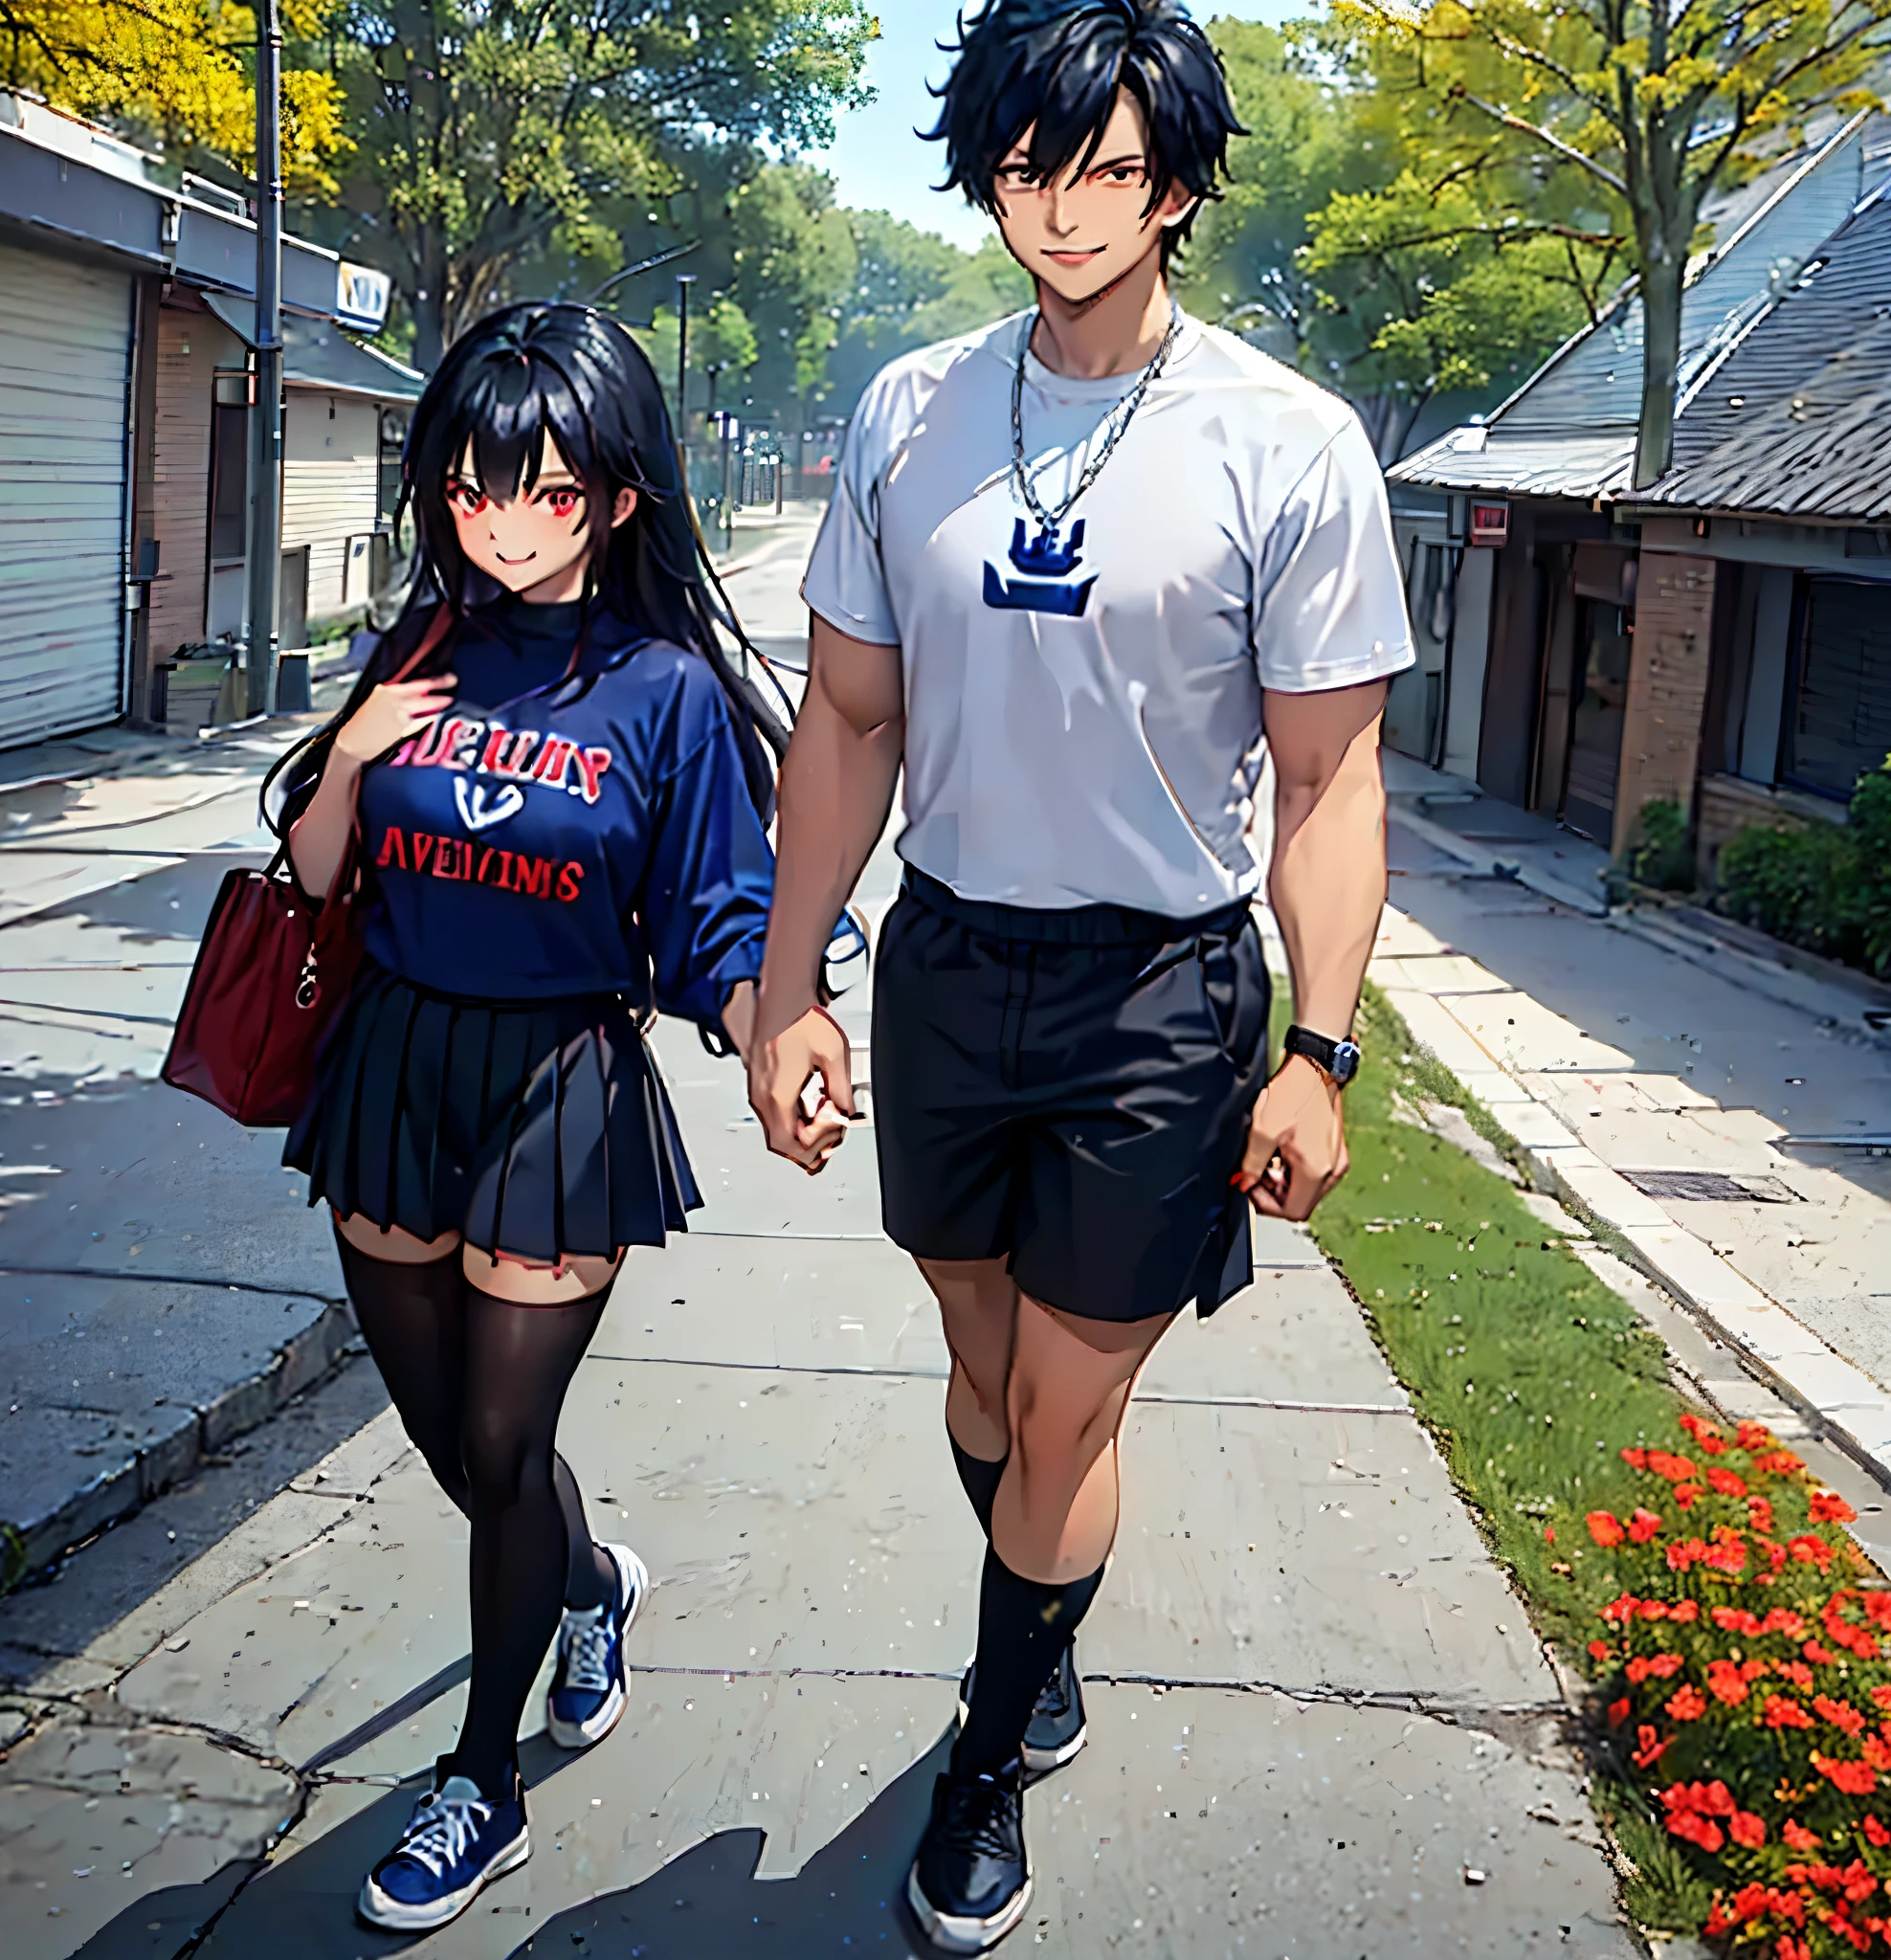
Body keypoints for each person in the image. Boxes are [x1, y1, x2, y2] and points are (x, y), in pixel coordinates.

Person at [745, 0, 1416, 1948]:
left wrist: (1322, 1049)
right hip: (951, 966)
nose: (1061, 206)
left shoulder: (1284, 443)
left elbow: (1326, 775)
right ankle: (1043, 1631)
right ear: (986, 170)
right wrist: (789, 985)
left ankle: (980, 1753)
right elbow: (845, 727)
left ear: (1177, 183)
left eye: (1105, 167)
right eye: (1029, 166)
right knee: (978, 1361)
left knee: (1059, 1409)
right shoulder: (906, 410)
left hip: (1159, 996)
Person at [274, 302, 792, 1933]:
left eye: (549, 490)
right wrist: (352, 755)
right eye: (475, 487)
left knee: (501, 1443)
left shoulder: (665, 693)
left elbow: (717, 920)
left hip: (557, 1088)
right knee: (458, 1449)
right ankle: (591, 1585)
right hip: (395, 1067)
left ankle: (478, 1783)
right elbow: (313, 875)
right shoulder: (413, 648)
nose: (504, 520)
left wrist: (776, 1031)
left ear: (619, 499)